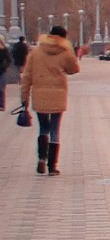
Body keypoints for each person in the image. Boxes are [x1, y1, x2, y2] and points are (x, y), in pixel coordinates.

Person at [22, 25, 79, 176]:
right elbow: (74, 69)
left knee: (43, 128)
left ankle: (41, 158)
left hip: (39, 95)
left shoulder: (35, 52)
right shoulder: (65, 52)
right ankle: (52, 167)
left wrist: (24, 98)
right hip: (58, 95)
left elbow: (26, 76)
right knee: (55, 130)